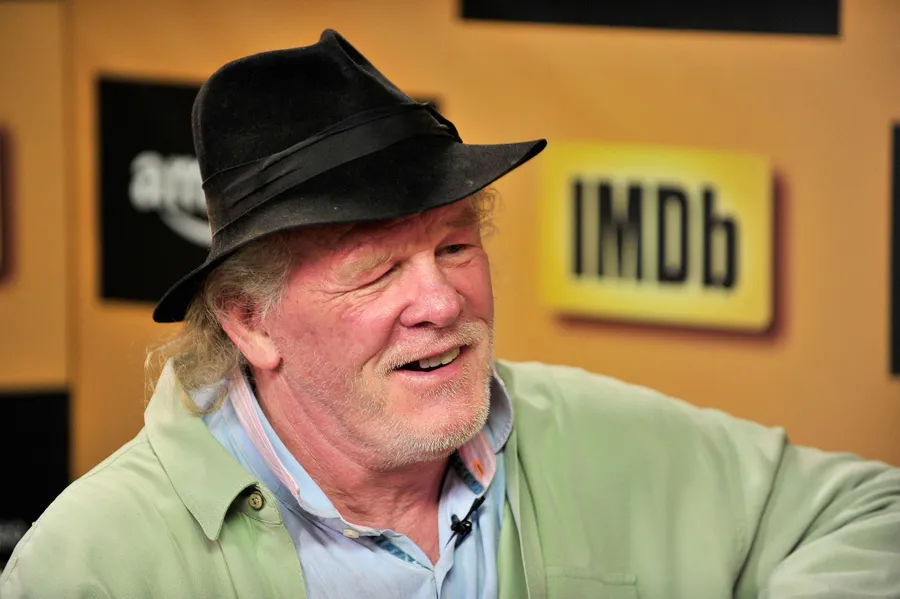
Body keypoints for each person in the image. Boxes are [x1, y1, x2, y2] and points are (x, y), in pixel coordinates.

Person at [2, 29, 898, 599]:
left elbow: (870, 511)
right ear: (249, 321)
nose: (439, 301)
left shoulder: (590, 433)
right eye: (376, 272)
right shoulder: (95, 562)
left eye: (456, 246)